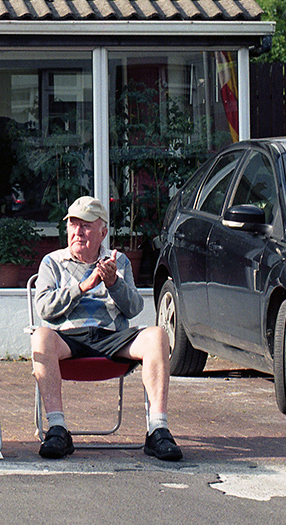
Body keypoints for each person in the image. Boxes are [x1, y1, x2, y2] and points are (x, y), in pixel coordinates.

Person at [32, 195, 183, 462]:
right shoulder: (52, 262)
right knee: (41, 336)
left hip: (112, 336)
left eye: (86, 226)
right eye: (73, 224)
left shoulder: (119, 260)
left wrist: (114, 283)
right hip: (69, 337)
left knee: (157, 335)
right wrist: (81, 287)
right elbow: (44, 308)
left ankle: (158, 430)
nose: (78, 232)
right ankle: (57, 429)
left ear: (102, 232)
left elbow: (134, 308)